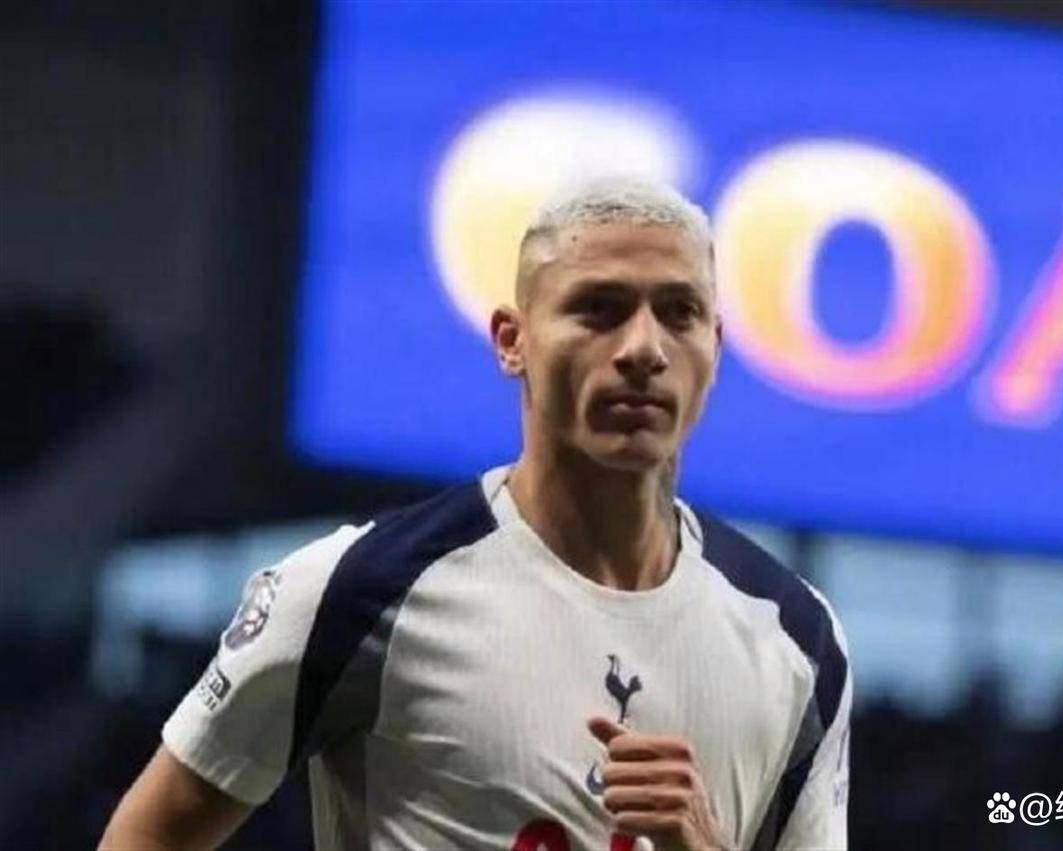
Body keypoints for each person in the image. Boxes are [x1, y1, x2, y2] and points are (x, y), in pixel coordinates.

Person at [99, 176, 852, 851]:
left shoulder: (797, 638)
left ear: (714, 346)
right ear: (512, 341)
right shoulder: (357, 590)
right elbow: (152, 833)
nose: (643, 348)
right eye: (599, 309)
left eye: (679, 313)